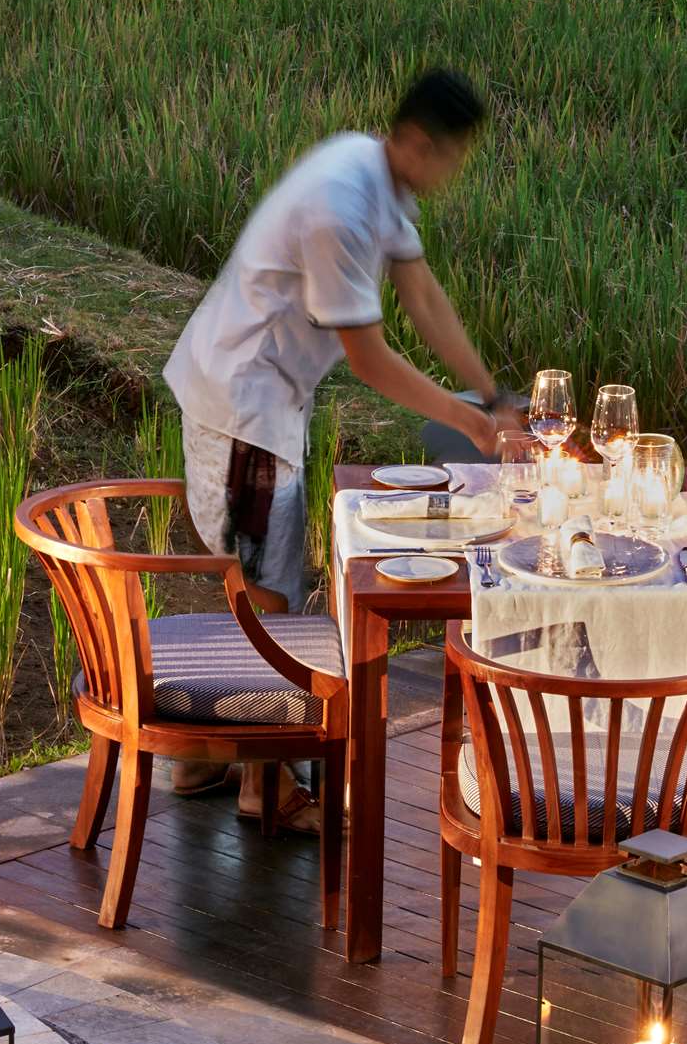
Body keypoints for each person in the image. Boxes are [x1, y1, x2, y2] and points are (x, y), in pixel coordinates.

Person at [161, 67, 512, 824]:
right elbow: (368, 357)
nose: (452, 175)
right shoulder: (342, 208)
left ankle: (198, 760)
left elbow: (420, 293)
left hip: (264, 396)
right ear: (419, 142)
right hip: (243, 407)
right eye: (451, 158)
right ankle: (266, 788)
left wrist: (490, 395)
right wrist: (470, 422)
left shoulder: (373, 169)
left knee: (264, 578)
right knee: (271, 593)